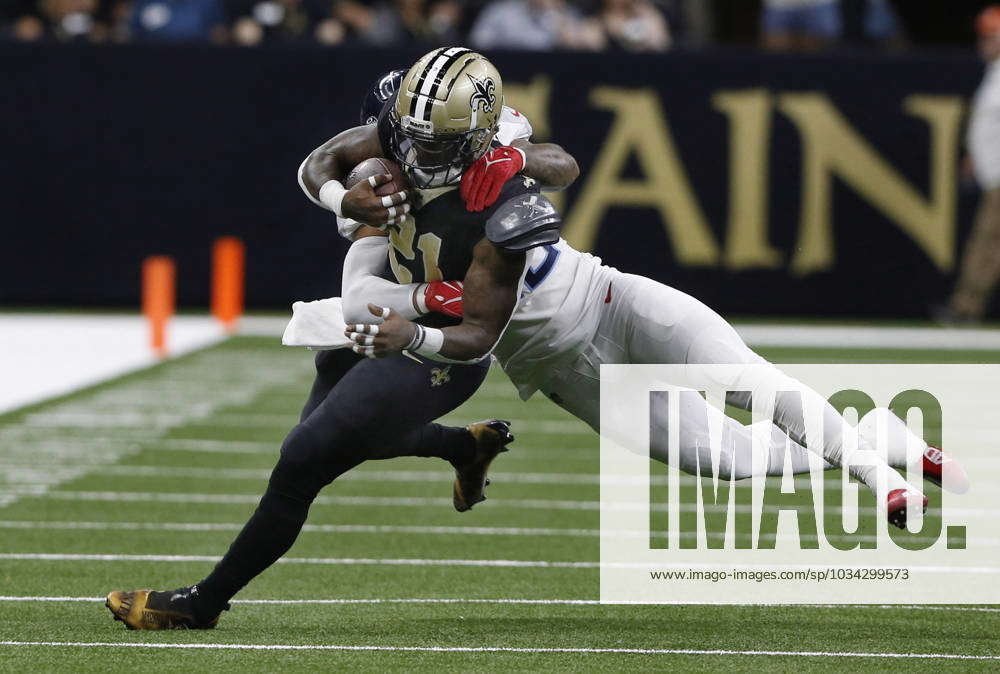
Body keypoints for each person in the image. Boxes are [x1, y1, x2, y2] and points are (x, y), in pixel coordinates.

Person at [104, 49, 579, 630]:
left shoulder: (500, 173)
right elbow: (324, 163)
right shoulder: (401, 135)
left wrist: (512, 161)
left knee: (304, 459)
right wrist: (345, 199)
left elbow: (558, 168)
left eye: (432, 143)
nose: (413, 151)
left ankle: (203, 603)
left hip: (441, 338)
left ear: (477, 138)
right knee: (330, 433)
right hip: (389, 306)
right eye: (408, 135)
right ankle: (461, 447)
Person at [942, 5, 1000, 324]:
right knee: (986, 243)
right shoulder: (994, 72)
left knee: (988, 244)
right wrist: (974, 157)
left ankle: (966, 306)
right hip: (993, 173)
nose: (984, 44)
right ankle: (966, 306)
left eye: (991, 37)